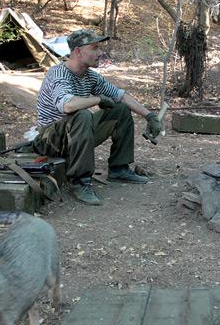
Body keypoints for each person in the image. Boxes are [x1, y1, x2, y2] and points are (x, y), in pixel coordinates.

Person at [32, 29, 162, 206]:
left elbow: (120, 95)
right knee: (82, 115)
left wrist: (150, 116)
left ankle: (119, 168)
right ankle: (78, 181)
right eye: (95, 48)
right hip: (49, 142)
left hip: (72, 136)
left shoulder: (90, 76)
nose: (100, 53)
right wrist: (98, 99)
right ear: (78, 51)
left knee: (120, 109)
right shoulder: (58, 74)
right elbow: (67, 105)